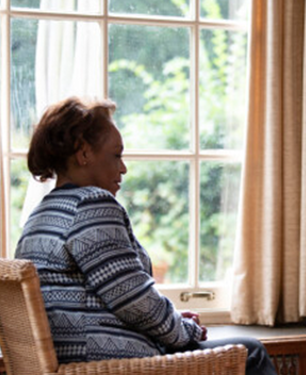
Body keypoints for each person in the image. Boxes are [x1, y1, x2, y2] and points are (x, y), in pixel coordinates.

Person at [15, 97, 276, 374]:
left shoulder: (39, 216)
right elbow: (135, 303)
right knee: (251, 353)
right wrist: (186, 329)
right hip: (114, 365)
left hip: (76, 359)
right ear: (84, 153)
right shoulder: (91, 206)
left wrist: (173, 319)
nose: (123, 168)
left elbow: (109, 297)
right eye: (116, 155)